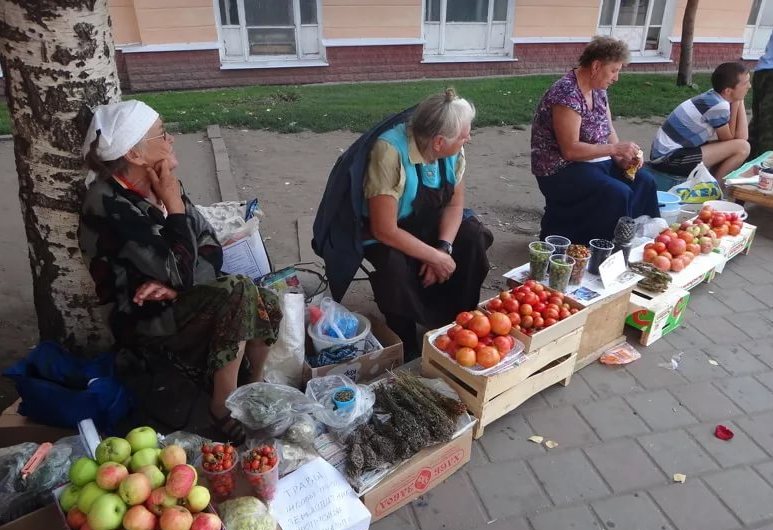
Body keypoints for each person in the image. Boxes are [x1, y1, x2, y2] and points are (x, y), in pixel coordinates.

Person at [79, 100, 282, 441]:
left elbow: (211, 249)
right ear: (135, 155)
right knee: (237, 290)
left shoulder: (164, 182)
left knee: (265, 298)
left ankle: (253, 383)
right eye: (162, 134)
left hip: (174, 300)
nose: (171, 140)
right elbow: (184, 266)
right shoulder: (109, 205)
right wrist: (174, 209)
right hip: (142, 318)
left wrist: (178, 283)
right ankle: (222, 406)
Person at [314, 90, 492, 359]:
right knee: (392, 267)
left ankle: (457, 322)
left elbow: (455, 206)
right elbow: (384, 229)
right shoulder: (389, 152)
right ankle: (404, 340)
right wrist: (432, 255)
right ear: (439, 142)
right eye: (464, 134)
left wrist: (443, 250)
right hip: (386, 231)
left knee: (473, 236)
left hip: (426, 221)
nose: (468, 137)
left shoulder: (453, 150)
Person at [531, 36, 659, 246]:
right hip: (560, 169)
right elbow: (570, 150)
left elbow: (607, 128)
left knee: (644, 180)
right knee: (617, 192)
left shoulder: (599, 90)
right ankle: (605, 246)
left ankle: (640, 240)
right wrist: (615, 149)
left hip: (591, 161)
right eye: (614, 70)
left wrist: (621, 157)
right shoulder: (566, 94)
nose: (616, 77)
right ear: (596, 66)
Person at [650, 61, 751, 186]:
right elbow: (730, 139)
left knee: (740, 146)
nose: (749, 86)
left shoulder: (716, 96)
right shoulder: (719, 105)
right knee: (742, 148)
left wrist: (738, 100)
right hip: (668, 158)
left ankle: (710, 185)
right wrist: (737, 102)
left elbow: (740, 138)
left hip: (671, 152)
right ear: (728, 91)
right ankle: (714, 189)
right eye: (746, 83)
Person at [749, 32, 773, 159]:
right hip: (770, 75)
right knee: (769, 129)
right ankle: (766, 171)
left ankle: (744, 166)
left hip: (763, 70)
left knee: (758, 123)